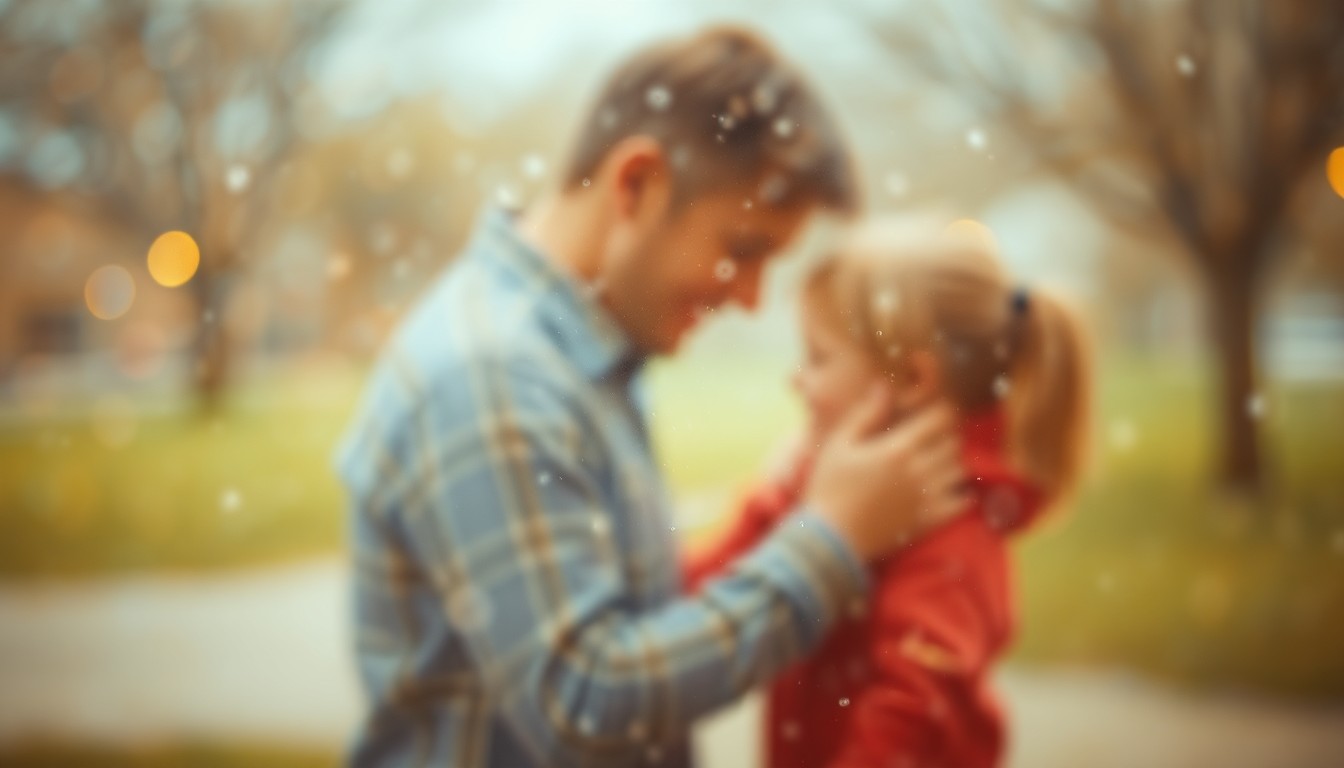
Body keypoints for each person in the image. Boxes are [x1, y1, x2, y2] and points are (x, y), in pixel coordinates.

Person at [335, 28, 966, 768]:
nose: (752, 297)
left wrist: (781, 507)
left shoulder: (580, 354)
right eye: (741, 248)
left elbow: (620, 605)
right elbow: (585, 701)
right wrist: (831, 538)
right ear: (635, 184)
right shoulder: (497, 376)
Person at [686, 216, 1092, 768]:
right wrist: (781, 497)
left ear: (911, 381)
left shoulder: (954, 546)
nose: (796, 379)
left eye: (818, 358)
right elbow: (696, 594)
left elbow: (905, 726)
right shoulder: (825, 491)